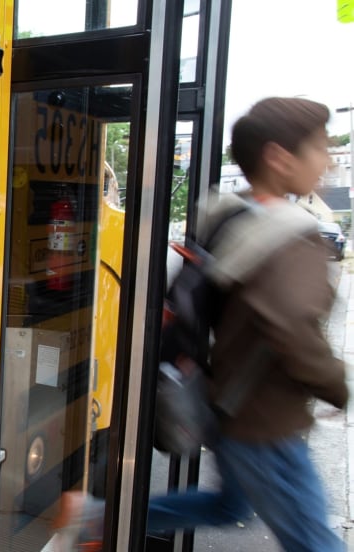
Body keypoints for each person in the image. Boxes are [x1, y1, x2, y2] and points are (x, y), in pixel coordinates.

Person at [145, 97, 348, 552]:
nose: (328, 161)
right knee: (318, 544)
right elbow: (293, 326)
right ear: (279, 157)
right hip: (266, 422)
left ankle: (94, 518)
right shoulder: (294, 235)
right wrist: (336, 385)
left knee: (229, 508)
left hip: (225, 404)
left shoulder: (229, 217)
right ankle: (93, 519)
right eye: (319, 147)